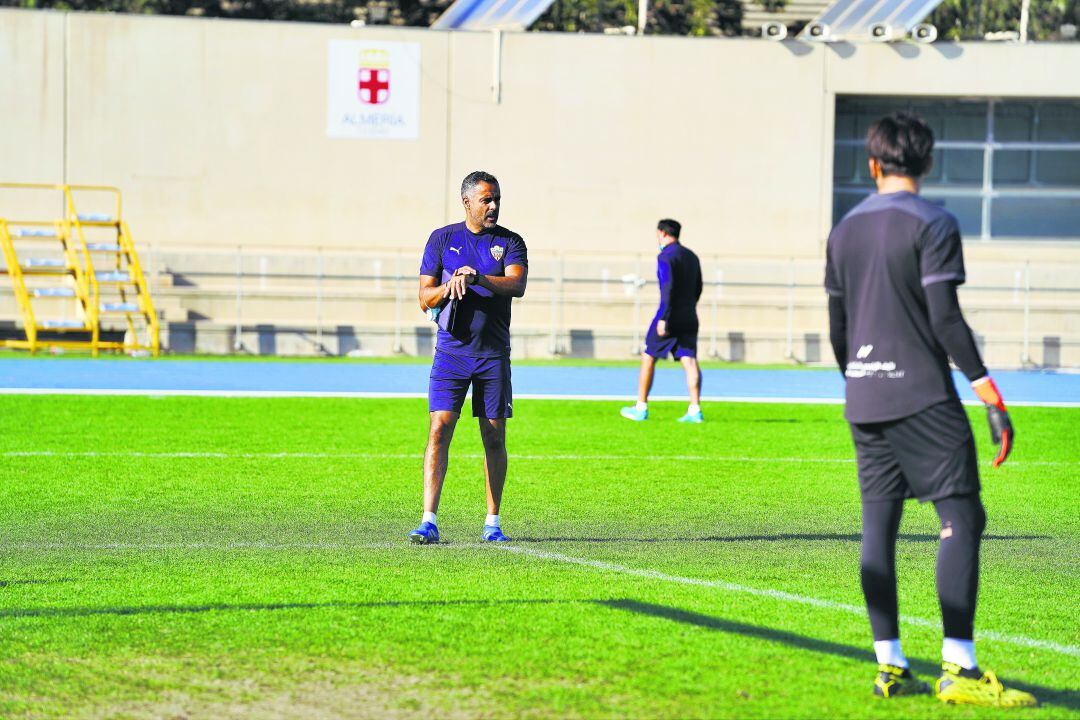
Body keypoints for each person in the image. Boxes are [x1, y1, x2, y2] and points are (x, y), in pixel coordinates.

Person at [825, 112, 1034, 707]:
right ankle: (959, 668)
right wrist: (988, 392)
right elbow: (944, 316)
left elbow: (838, 325)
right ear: (927, 162)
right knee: (961, 518)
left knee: (879, 527)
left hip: (863, 396)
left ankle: (889, 665)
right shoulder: (935, 222)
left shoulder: (843, 231)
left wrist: (859, 381)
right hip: (922, 392)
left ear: (873, 164)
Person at [409, 171, 528, 545]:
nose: (493, 206)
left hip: (493, 355)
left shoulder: (510, 242)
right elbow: (424, 298)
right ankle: (428, 520)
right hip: (451, 354)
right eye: (485, 200)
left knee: (494, 437)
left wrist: (478, 279)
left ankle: (492, 523)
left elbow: (517, 284)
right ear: (467, 202)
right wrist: (450, 286)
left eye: (496, 199)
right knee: (439, 429)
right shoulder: (442, 239)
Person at [620, 219, 704, 423]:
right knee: (689, 360)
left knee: (648, 356)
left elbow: (667, 287)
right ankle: (695, 409)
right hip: (690, 315)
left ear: (662, 234)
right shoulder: (692, 256)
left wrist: (664, 318)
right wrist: (688, 308)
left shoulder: (665, 257)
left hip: (668, 316)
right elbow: (698, 287)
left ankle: (641, 407)